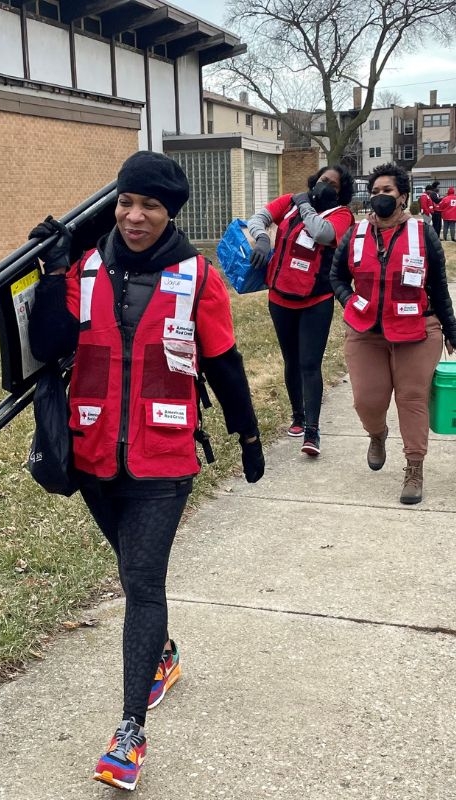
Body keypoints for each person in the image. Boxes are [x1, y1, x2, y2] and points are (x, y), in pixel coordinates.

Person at [27, 151, 265, 791]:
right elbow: (48, 343)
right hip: (94, 453)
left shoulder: (197, 277)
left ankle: (129, 730)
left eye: (150, 207)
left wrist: (248, 436)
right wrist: (52, 271)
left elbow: (225, 363)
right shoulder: (87, 265)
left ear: (170, 214)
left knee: (142, 579)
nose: (134, 216)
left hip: (164, 458)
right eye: (127, 202)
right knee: (134, 573)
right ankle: (162, 652)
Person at [330, 162, 456, 505]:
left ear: (403, 196)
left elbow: (438, 286)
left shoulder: (423, 233)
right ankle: (377, 433)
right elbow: (336, 277)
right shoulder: (355, 234)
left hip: (417, 328)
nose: (379, 197)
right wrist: (350, 300)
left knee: (411, 397)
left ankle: (414, 468)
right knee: (366, 399)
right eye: (374, 192)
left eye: (387, 191)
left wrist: (451, 328)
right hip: (366, 329)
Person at [247, 165, 355, 456]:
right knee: (291, 360)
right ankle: (297, 416)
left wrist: (305, 205)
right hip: (280, 297)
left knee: (310, 364)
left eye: (332, 184)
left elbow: (321, 233)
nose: (324, 185)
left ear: (341, 191)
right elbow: (258, 218)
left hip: (315, 301)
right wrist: (262, 237)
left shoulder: (342, 215)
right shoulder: (291, 201)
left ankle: (313, 430)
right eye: (322, 179)